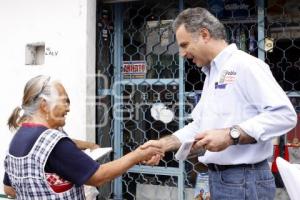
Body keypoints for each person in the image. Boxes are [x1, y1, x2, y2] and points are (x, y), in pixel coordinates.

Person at [141, 7, 297, 200]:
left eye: (184, 44)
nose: (182, 53)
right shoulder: (213, 73)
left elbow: (284, 115)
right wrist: (163, 144)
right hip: (222, 179)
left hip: (245, 180)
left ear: (204, 34)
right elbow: (200, 126)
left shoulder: (244, 65)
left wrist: (231, 135)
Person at [3, 75, 163, 199]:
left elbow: (9, 189)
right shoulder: (54, 142)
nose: (68, 108)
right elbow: (98, 177)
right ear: (44, 105)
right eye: (65, 102)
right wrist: (138, 155)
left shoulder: (18, 138)